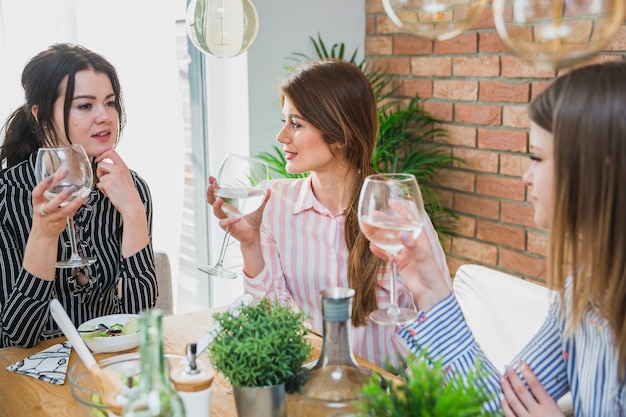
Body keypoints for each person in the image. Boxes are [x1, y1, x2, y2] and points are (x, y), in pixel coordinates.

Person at [374, 61, 626, 415]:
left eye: (537, 157)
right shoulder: (583, 294)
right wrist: (432, 292)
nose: (526, 176)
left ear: (600, 170)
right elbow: (500, 405)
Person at [207, 59, 450, 371]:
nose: (282, 136)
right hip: (312, 382)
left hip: (384, 391)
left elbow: (440, 318)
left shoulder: (398, 213)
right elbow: (270, 322)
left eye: (296, 124)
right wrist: (250, 245)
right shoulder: (273, 201)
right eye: (284, 121)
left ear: (338, 135)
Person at [0, 43, 157, 348]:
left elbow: (141, 321)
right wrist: (44, 237)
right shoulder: (7, 196)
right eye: (85, 106)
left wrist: (134, 214)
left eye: (110, 103)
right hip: (28, 382)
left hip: (108, 368)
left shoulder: (131, 188)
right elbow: (15, 338)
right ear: (41, 115)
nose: (105, 117)